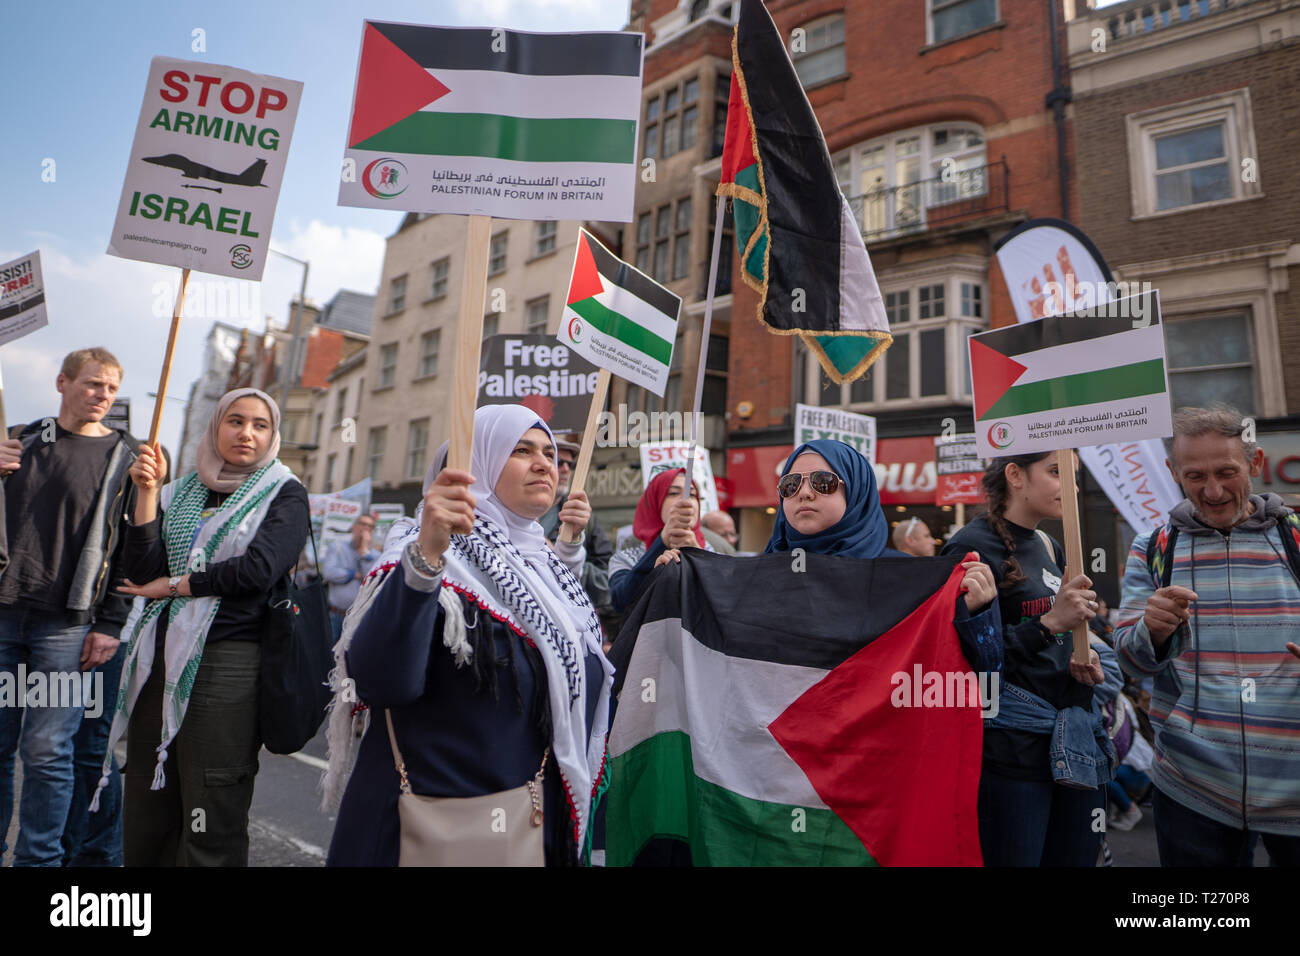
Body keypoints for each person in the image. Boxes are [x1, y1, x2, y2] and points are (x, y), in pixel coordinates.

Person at [323, 404, 612, 866]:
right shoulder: (422, 548)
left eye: (549, 453)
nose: (546, 464)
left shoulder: (548, 571)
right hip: (436, 833)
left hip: (529, 830)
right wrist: (426, 560)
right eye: (521, 450)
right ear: (476, 465)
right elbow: (379, 682)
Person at [97, 387, 309, 867]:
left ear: (273, 436)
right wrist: (148, 494)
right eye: (235, 421)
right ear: (215, 427)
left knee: (210, 807)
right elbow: (141, 571)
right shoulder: (182, 490)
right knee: (149, 804)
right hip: (161, 659)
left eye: (260, 425)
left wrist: (174, 587)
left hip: (228, 663)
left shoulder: (284, 492)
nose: (246, 433)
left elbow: (255, 573)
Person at [1114, 405, 1300, 866]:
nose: (1213, 490)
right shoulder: (1153, 548)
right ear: (1173, 472)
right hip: (1190, 784)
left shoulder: (1296, 540)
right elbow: (1129, 663)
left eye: (1226, 472)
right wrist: (1151, 633)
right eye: (1195, 475)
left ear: (1255, 464)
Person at [0, 348, 139, 867]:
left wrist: (110, 623)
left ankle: (38, 864)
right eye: (92, 384)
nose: (102, 395)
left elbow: (133, 548)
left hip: (66, 626)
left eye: (110, 388)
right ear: (62, 382)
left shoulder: (127, 456)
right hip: (5, 615)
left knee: (46, 752)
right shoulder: (21, 439)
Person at [942, 451, 1111, 867]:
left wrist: (1083, 652)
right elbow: (959, 658)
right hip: (1012, 751)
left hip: (1074, 739)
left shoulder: (1049, 543)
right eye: (1056, 473)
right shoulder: (970, 546)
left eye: (1072, 477)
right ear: (1015, 475)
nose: (1069, 490)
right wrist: (1050, 623)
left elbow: (1065, 633)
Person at [609, 469, 711, 613]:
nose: (685, 500)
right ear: (655, 500)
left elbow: (725, 602)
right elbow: (621, 601)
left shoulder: (711, 551)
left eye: (693, 494)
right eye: (674, 493)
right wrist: (661, 544)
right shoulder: (625, 557)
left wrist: (697, 554)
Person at [538, 436, 614, 618]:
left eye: (570, 465)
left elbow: (608, 583)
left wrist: (564, 558)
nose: (565, 469)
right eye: (558, 461)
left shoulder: (585, 520)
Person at [322, 515, 380, 641]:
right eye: (362, 524)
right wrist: (352, 574)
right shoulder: (338, 548)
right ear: (353, 526)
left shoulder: (376, 556)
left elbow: (370, 579)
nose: (365, 528)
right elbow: (329, 573)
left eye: (369, 526)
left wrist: (364, 552)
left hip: (361, 617)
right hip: (336, 614)